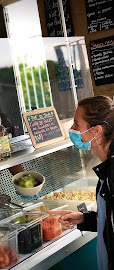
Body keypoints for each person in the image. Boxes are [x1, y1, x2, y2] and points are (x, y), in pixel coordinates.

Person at [47, 95, 114, 270]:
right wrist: (84, 218)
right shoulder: (106, 168)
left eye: (77, 124)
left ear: (96, 131)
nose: (72, 129)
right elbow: (110, 220)